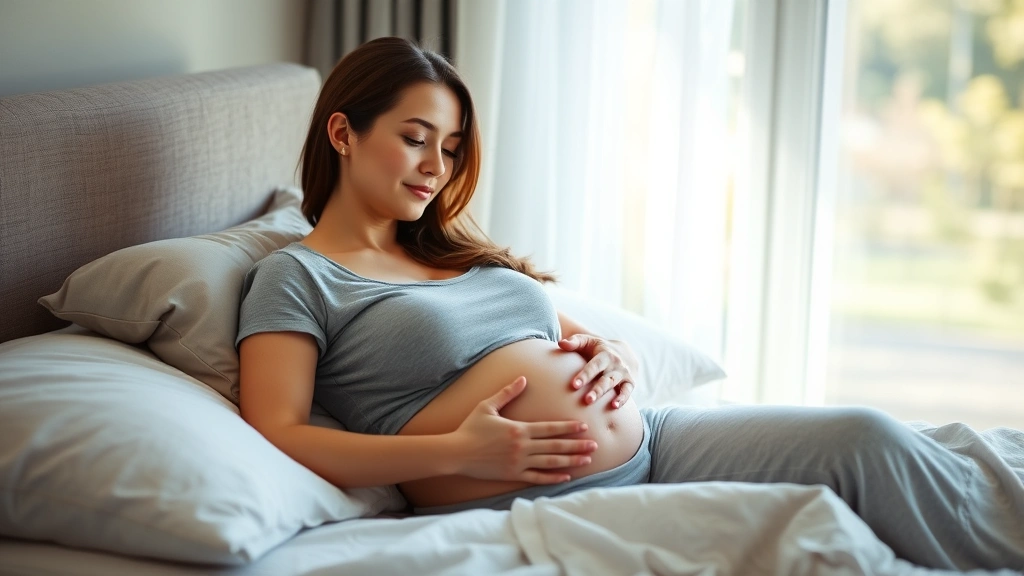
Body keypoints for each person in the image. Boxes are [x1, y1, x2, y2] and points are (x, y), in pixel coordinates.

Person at [235, 37, 1024, 572]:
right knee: (827, 542)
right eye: (416, 138)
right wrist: (457, 454)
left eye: (450, 148)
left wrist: (619, 356)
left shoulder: (453, 252)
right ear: (343, 131)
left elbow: (580, 339)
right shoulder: (299, 278)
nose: (437, 167)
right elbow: (281, 430)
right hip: (554, 492)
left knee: (867, 438)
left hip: (655, 439)